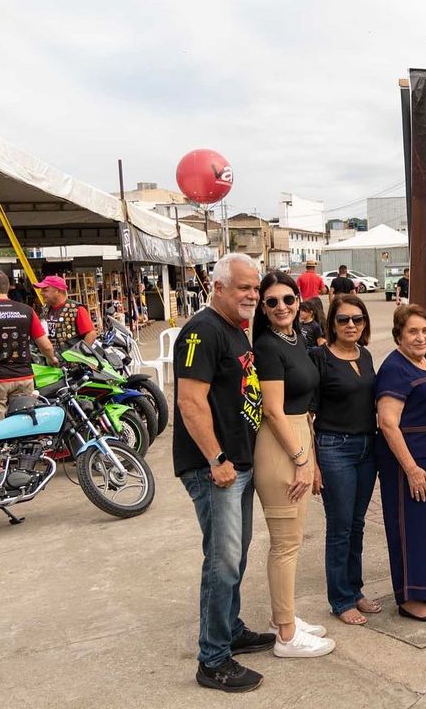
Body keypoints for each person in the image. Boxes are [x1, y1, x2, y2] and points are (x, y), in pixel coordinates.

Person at [174, 253, 271, 693]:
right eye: (243, 287)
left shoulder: (236, 330)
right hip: (217, 469)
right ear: (217, 287)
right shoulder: (202, 330)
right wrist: (216, 460)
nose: (252, 294)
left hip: (238, 466)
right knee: (222, 561)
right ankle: (213, 659)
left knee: (236, 556)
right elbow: (190, 402)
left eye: (255, 287)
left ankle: (231, 629)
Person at [251, 270, 335, 659]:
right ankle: (285, 635)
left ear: (300, 301)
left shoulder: (296, 338)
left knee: (293, 540)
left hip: (299, 436)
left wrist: (310, 456)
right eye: (272, 302)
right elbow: (272, 410)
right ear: (263, 309)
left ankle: (283, 617)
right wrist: (301, 460)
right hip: (280, 445)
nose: (282, 307)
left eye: (288, 299)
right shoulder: (268, 346)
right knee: (285, 544)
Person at [376, 304, 426, 621]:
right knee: (411, 529)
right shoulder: (395, 368)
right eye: (412, 331)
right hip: (410, 462)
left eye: (424, 330)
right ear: (399, 335)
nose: (420, 336)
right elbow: (387, 423)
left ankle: (425, 586)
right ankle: (410, 599)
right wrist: (411, 469)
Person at [312, 294, 382, 625]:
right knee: (339, 527)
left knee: (357, 524)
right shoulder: (320, 358)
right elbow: (306, 414)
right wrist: (310, 462)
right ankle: (340, 599)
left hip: (367, 448)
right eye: (343, 320)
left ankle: (355, 590)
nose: (351, 325)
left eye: (357, 319)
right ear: (332, 324)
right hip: (334, 448)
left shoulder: (365, 356)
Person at [0, 269, 57, 426]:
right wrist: (52, 360)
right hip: (23, 378)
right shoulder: (27, 311)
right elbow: (46, 345)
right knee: (23, 425)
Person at [34, 275, 96, 351]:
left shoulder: (76, 309)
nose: (41, 293)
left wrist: (79, 354)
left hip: (69, 359)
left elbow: (91, 334)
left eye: (45, 290)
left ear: (58, 291)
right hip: (49, 357)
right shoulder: (45, 309)